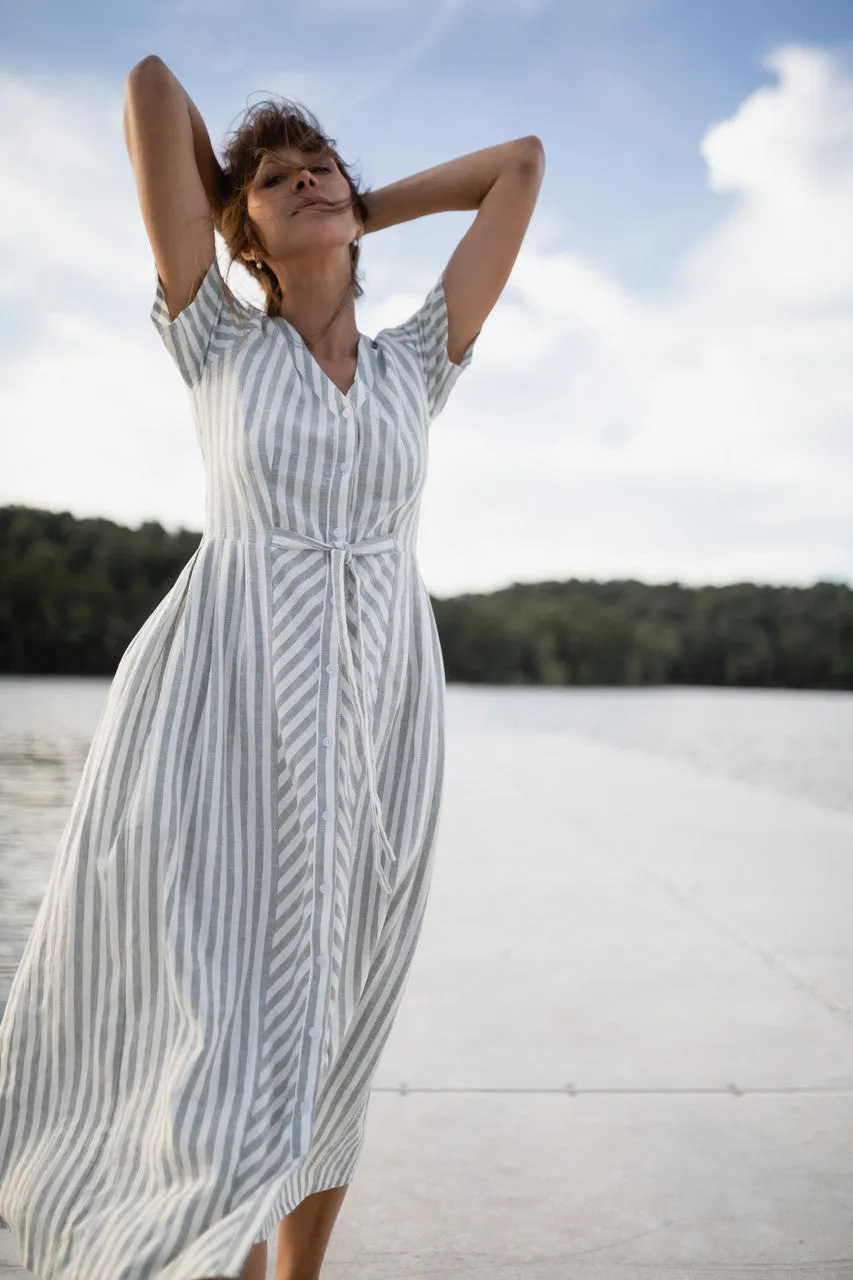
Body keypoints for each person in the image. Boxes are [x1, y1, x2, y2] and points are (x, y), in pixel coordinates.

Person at [0, 55, 544, 1280]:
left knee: (344, 1009)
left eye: (321, 167)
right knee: (228, 1015)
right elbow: (146, 86)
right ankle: (213, 1253)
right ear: (234, 226)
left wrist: (356, 206)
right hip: (224, 707)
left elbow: (519, 167)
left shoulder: (417, 363)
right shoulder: (217, 343)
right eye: (273, 176)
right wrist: (252, 218)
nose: (305, 178)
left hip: (378, 721)